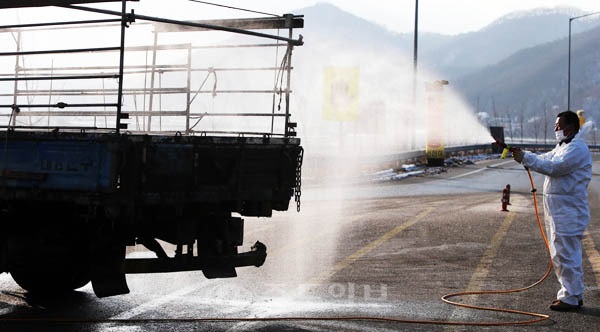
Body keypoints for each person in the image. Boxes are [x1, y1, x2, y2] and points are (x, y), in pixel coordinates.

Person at [512, 110, 592, 311]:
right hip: (560, 211)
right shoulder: (563, 147)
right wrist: (525, 156)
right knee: (559, 253)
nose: (555, 129)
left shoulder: (577, 149)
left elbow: (554, 167)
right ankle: (569, 294)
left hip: (569, 211)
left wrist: (526, 159)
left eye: (558, 125)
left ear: (570, 127)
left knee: (567, 255)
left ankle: (572, 297)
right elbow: (545, 158)